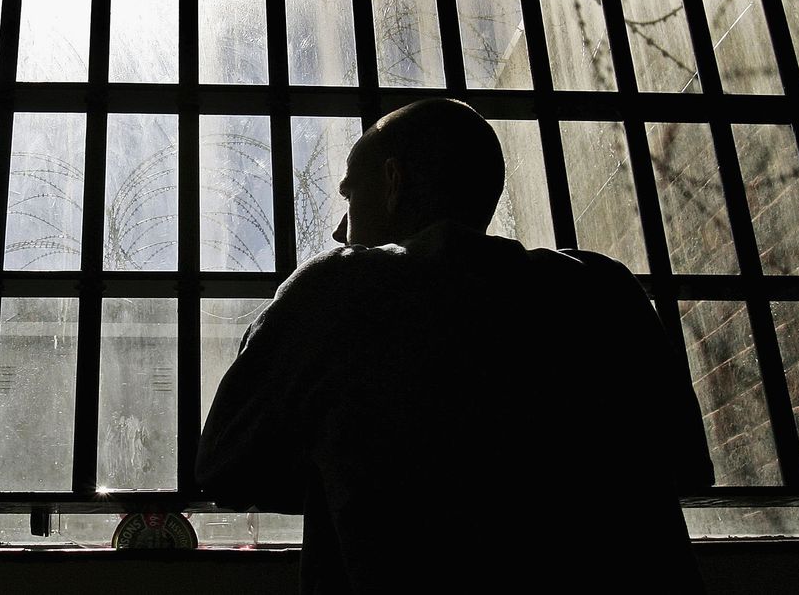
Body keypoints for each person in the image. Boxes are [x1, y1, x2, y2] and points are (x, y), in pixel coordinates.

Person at [195, 99, 715, 593]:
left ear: (394, 182)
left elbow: (224, 465)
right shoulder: (605, 291)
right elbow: (689, 466)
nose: (338, 229)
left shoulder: (341, 290)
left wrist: (345, 464)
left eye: (351, 196)